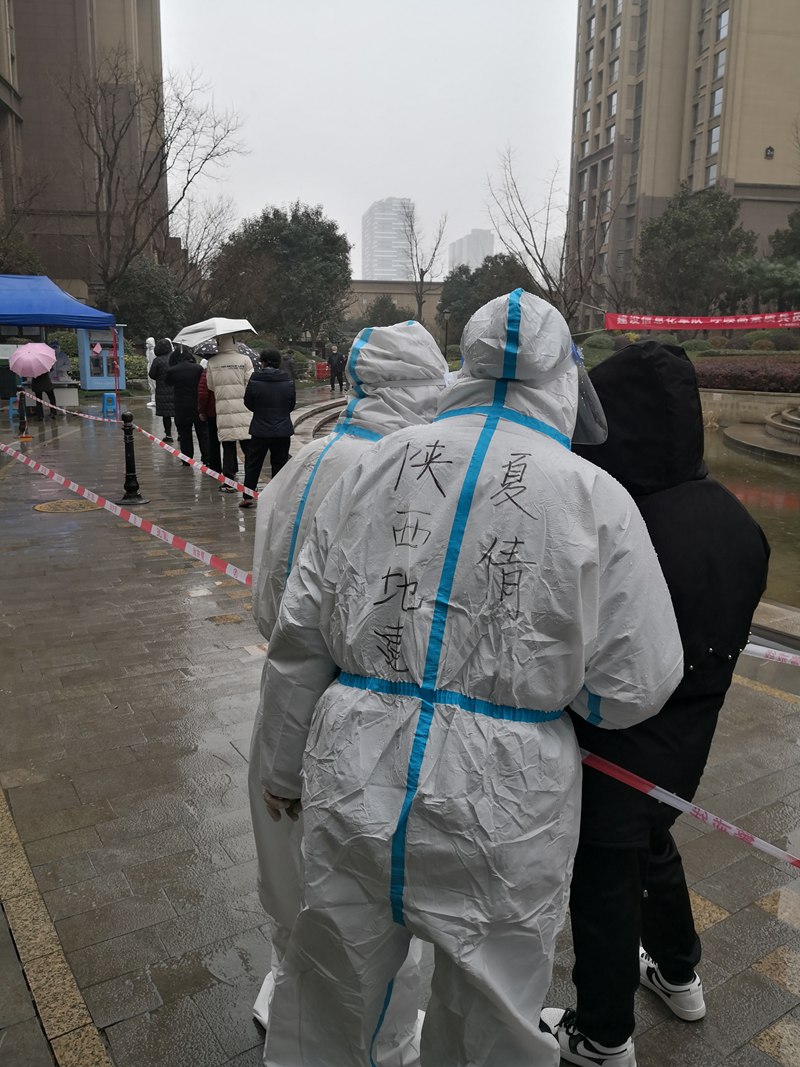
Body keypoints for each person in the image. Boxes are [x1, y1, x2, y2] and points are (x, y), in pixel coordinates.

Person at [256, 291, 684, 1067]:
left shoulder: (375, 463)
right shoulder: (593, 496)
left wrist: (284, 767)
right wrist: (554, 689)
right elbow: (635, 682)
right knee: (493, 1021)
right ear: (562, 378)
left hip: (355, 768)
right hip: (506, 798)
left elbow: (299, 633)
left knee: (331, 995)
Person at [542, 341, 770, 1067]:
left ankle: (603, 1035)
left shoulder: (621, 524)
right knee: (654, 840)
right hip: (689, 744)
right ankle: (678, 971)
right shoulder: (736, 519)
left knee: (605, 878)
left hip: (616, 743)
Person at [249, 320, 448, 1065]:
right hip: (368, 714)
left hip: (282, 693)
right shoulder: (409, 476)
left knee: (286, 870)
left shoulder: (306, 461)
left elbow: (273, 601)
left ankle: (286, 988)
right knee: (372, 902)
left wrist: (280, 751)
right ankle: (386, 1043)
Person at [239, 349, 296, 509]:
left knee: (253, 463)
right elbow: (291, 404)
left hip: (260, 429)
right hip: (282, 429)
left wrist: (260, 411)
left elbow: (248, 402)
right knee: (280, 463)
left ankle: (248, 496)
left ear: (262, 362)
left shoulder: (255, 379)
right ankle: (277, 497)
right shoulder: (288, 380)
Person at [204, 332, 253, 491]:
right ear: (234, 342)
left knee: (228, 447)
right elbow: (250, 382)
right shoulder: (245, 360)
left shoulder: (212, 362)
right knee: (248, 448)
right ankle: (251, 482)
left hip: (223, 409)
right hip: (243, 408)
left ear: (219, 342)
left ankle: (229, 482)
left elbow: (210, 386)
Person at [165, 345, 206, 464]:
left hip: (181, 406)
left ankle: (187, 459)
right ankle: (206, 457)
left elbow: (168, 382)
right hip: (197, 404)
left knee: (184, 433)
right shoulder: (198, 368)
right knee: (202, 432)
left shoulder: (172, 370)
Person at [148, 338, 176, 442]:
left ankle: (168, 435)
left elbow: (152, 374)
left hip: (162, 390)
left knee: (166, 415)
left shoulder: (157, 360)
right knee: (177, 413)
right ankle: (180, 434)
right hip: (176, 389)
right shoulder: (175, 357)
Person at [145, 336, 156, 407]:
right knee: (151, 384)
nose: (146, 345)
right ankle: (153, 400)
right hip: (149, 367)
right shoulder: (148, 351)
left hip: (153, 368)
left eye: (148, 343)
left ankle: (155, 400)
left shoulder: (154, 351)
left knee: (154, 384)